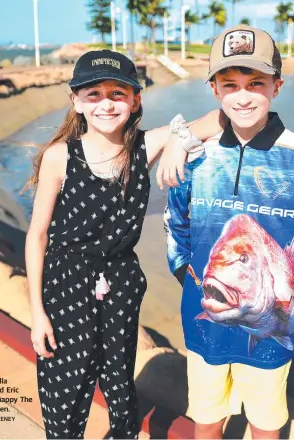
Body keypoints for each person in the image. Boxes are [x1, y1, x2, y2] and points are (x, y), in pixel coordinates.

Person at [164, 25, 294, 439]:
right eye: (230, 84)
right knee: (205, 421)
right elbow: (175, 222)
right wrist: (184, 275)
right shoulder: (195, 155)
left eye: (256, 83)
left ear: (277, 86)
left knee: (265, 425)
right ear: (213, 89)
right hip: (204, 322)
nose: (243, 96)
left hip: (271, 330)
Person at [24, 49, 222, 439]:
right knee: (67, 384)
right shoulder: (60, 157)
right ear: (76, 101)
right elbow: (38, 234)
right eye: (93, 93)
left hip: (121, 281)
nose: (106, 103)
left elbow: (219, 118)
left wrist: (180, 141)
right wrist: (37, 312)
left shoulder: (143, 148)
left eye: (118, 93)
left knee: (118, 381)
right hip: (65, 281)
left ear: (135, 101)